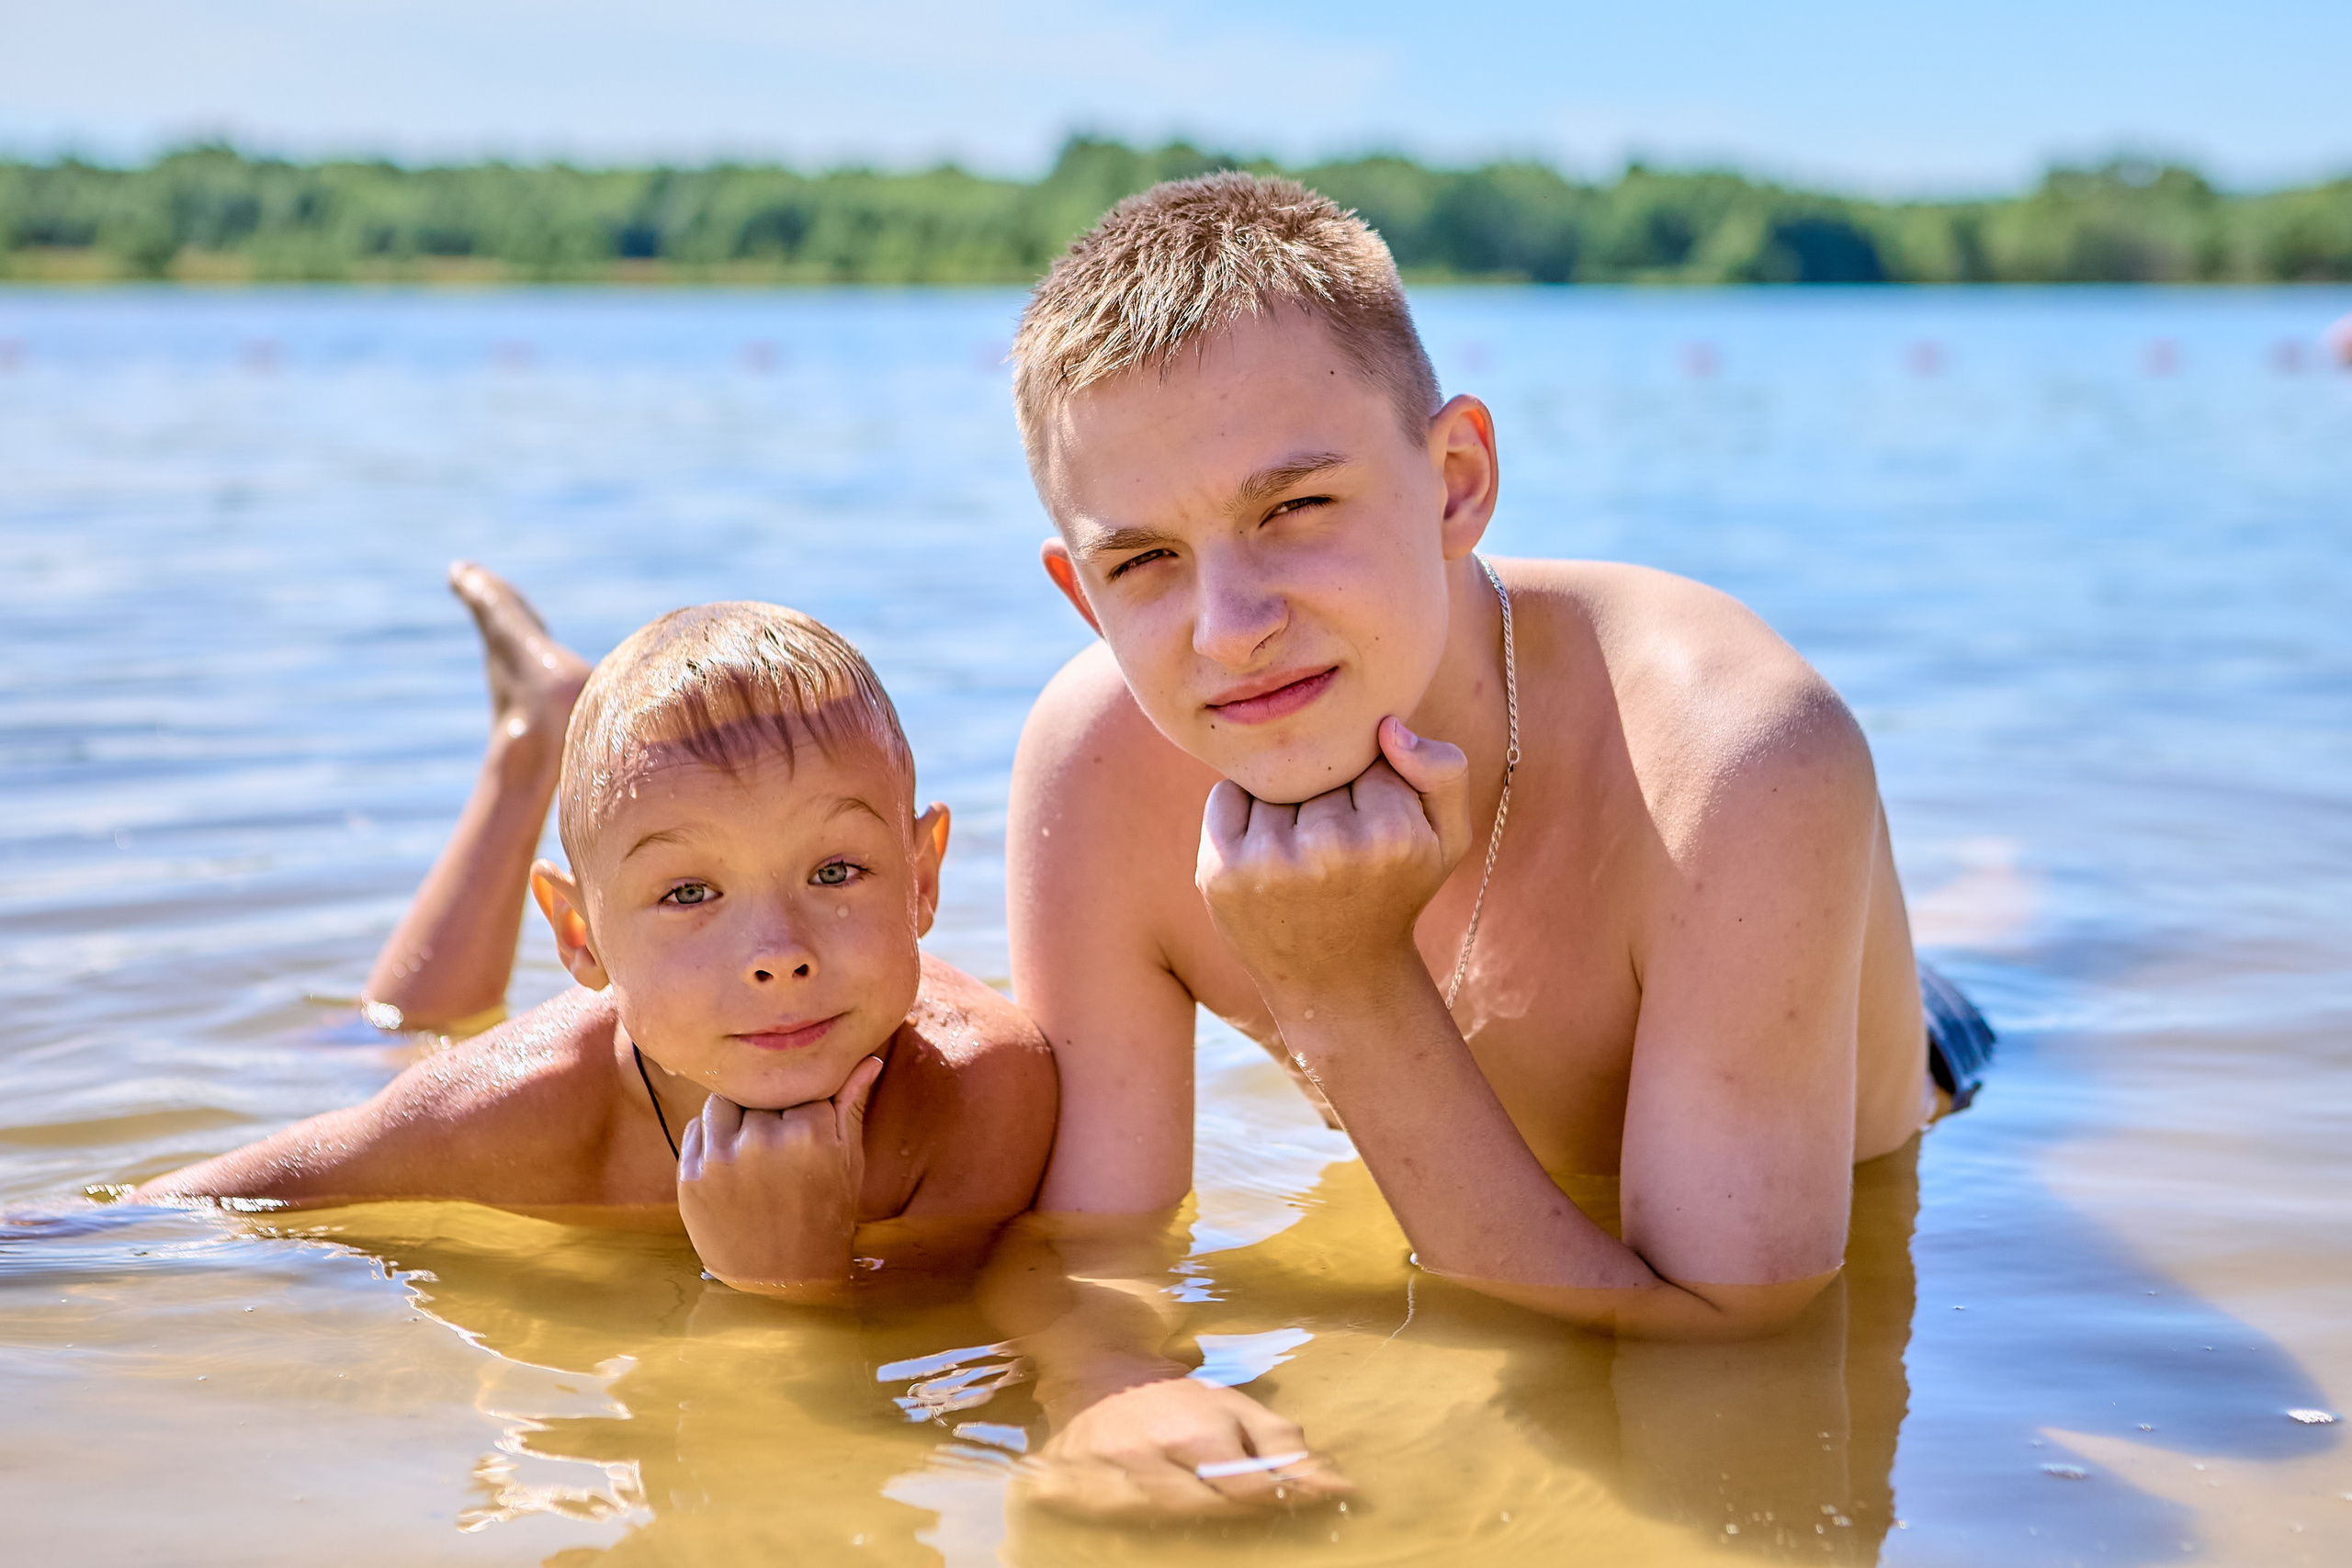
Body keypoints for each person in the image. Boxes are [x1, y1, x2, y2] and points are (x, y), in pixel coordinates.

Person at [998, 173, 1994, 1508]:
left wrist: (1346, 979)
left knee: (1983, 943)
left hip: (1886, 1051)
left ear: (1457, 479)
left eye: (1294, 510)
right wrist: (1112, 1385)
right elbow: (1090, 1244)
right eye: (1145, 563)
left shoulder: (1739, 753)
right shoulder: (1095, 765)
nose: (1228, 626)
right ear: (1079, 590)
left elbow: (1734, 1329)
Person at [138, 583, 1057, 1297]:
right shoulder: (525, 1111)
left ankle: (546, 724)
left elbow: (907, 1362)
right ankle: (530, 739)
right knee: (378, 1046)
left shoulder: (983, 1093)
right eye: (690, 891)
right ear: (579, 936)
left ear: (922, 876)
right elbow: (156, 1222)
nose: (778, 951)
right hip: (508, 1074)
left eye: (834, 873)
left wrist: (786, 1279)